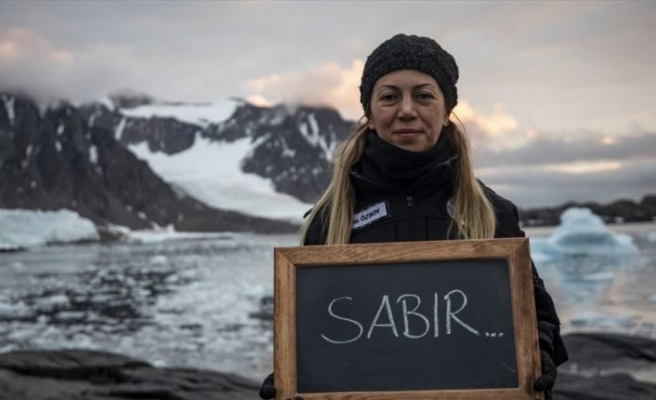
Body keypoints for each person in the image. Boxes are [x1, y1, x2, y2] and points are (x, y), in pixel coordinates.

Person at [259, 33, 568, 399]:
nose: (407, 110)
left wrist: (539, 353)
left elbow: (535, 313)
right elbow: (312, 331)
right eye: (389, 97)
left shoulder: (490, 211)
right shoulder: (330, 218)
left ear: (446, 109)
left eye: (423, 95)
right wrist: (294, 377)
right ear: (370, 115)